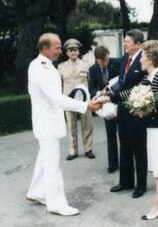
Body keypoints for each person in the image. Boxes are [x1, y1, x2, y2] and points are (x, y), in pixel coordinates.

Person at [26, 33, 103, 216]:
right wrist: (85, 105)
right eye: (57, 47)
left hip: (46, 122)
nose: (61, 50)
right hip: (47, 124)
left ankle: (35, 192)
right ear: (45, 48)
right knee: (52, 164)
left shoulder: (42, 65)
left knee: (44, 159)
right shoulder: (42, 68)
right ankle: (56, 204)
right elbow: (57, 99)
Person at [111, 40, 158, 220]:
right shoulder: (149, 76)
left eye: (142, 56)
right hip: (154, 128)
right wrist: (110, 96)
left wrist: (151, 109)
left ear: (150, 58)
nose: (140, 59)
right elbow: (133, 92)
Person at [110, 29, 148, 198]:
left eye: (127, 41)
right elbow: (122, 82)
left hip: (138, 110)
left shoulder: (144, 59)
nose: (124, 44)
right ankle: (125, 182)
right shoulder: (125, 58)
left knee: (139, 149)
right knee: (124, 146)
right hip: (123, 110)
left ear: (138, 44)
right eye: (124, 41)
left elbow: (142, 87)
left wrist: (118, 95)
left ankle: (141, 185)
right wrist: (112, 94)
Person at [58, 38, 94, 161]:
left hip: (83, 99)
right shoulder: (61, 67)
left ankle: (88, 149)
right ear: (66, 52)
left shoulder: (86, 64)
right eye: (70, 50)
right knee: (71, 125)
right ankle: (73, 151)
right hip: (68, 99)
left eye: (75, 49)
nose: (73, 52)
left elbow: (91, 82)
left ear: (79, 51)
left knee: (87, 124)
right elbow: (60, 84)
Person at [89, 46, 120, 173]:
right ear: (97, 60)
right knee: (110, 134)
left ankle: (128, 162)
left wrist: (112, 89)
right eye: (103, 62)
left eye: (107, 60)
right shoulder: (93, 69)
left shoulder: (117, 63)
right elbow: (91, 89)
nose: (106, 63)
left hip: (119, 101)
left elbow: (123, 80)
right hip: (106, 106)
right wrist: (99, 93)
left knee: (125, 135)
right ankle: (113, 163)